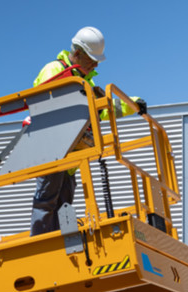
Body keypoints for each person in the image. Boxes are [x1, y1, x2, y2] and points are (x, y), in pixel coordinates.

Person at [29, 27, 147, 236]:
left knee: (65, 205)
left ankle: (66, 247)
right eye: (92, 59)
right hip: (53, 150)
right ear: (78, 53)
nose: (95, 64)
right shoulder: (54, 70)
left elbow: (100, 112)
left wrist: (134, 104)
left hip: (72, 154)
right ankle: (41, 245)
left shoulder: (86, 81)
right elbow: (49, 108)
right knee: (47, 202)